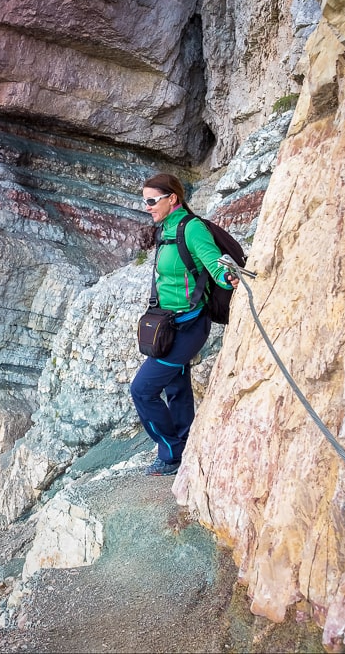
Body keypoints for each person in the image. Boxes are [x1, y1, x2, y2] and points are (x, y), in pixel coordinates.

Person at [131, 173, 239, 476]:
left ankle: (170, 454)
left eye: (152, 201)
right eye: (145, 201)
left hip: (188, 326)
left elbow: (213, 261)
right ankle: (185, 443)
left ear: (172, 198)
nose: (147, 207)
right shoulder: (166, 228)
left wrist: (227, 278)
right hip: (170, 323)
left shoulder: (191, 228)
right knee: (177, 387)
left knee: (142, 390)